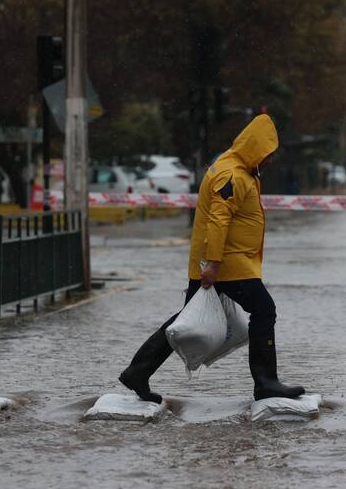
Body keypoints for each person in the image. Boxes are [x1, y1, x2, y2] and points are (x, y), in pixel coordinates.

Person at [119, 114, 305, 403]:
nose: (270, 160)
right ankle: (266, 382)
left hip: (221, 263)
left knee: (184, 320)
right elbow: (218, 221)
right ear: (255, 148)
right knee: (264, 309)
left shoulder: (239, 169)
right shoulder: (231, 174)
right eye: (267, 154)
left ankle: (137, 371)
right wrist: (213, 264)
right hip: (227, 264)